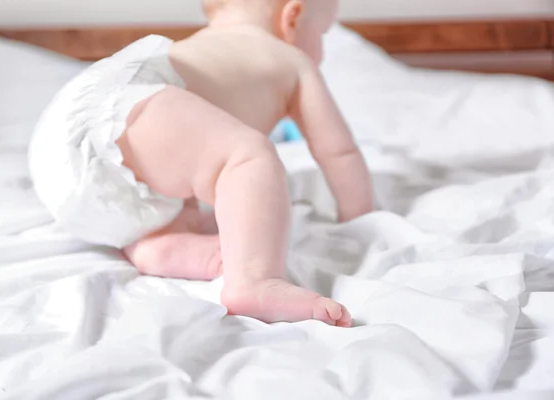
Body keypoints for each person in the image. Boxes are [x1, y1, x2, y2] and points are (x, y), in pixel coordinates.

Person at [29, 0, 374, 327]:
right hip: (128, 106)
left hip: (59, 149)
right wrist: (361, 216)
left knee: (188, 177)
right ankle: (254, 281)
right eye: (324, 33)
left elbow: (174, 147)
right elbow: (338, 152)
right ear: (293, 17)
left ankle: (158, 245)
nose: (322, 48)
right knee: (247, 155)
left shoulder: (191, 49)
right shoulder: (293, 60)